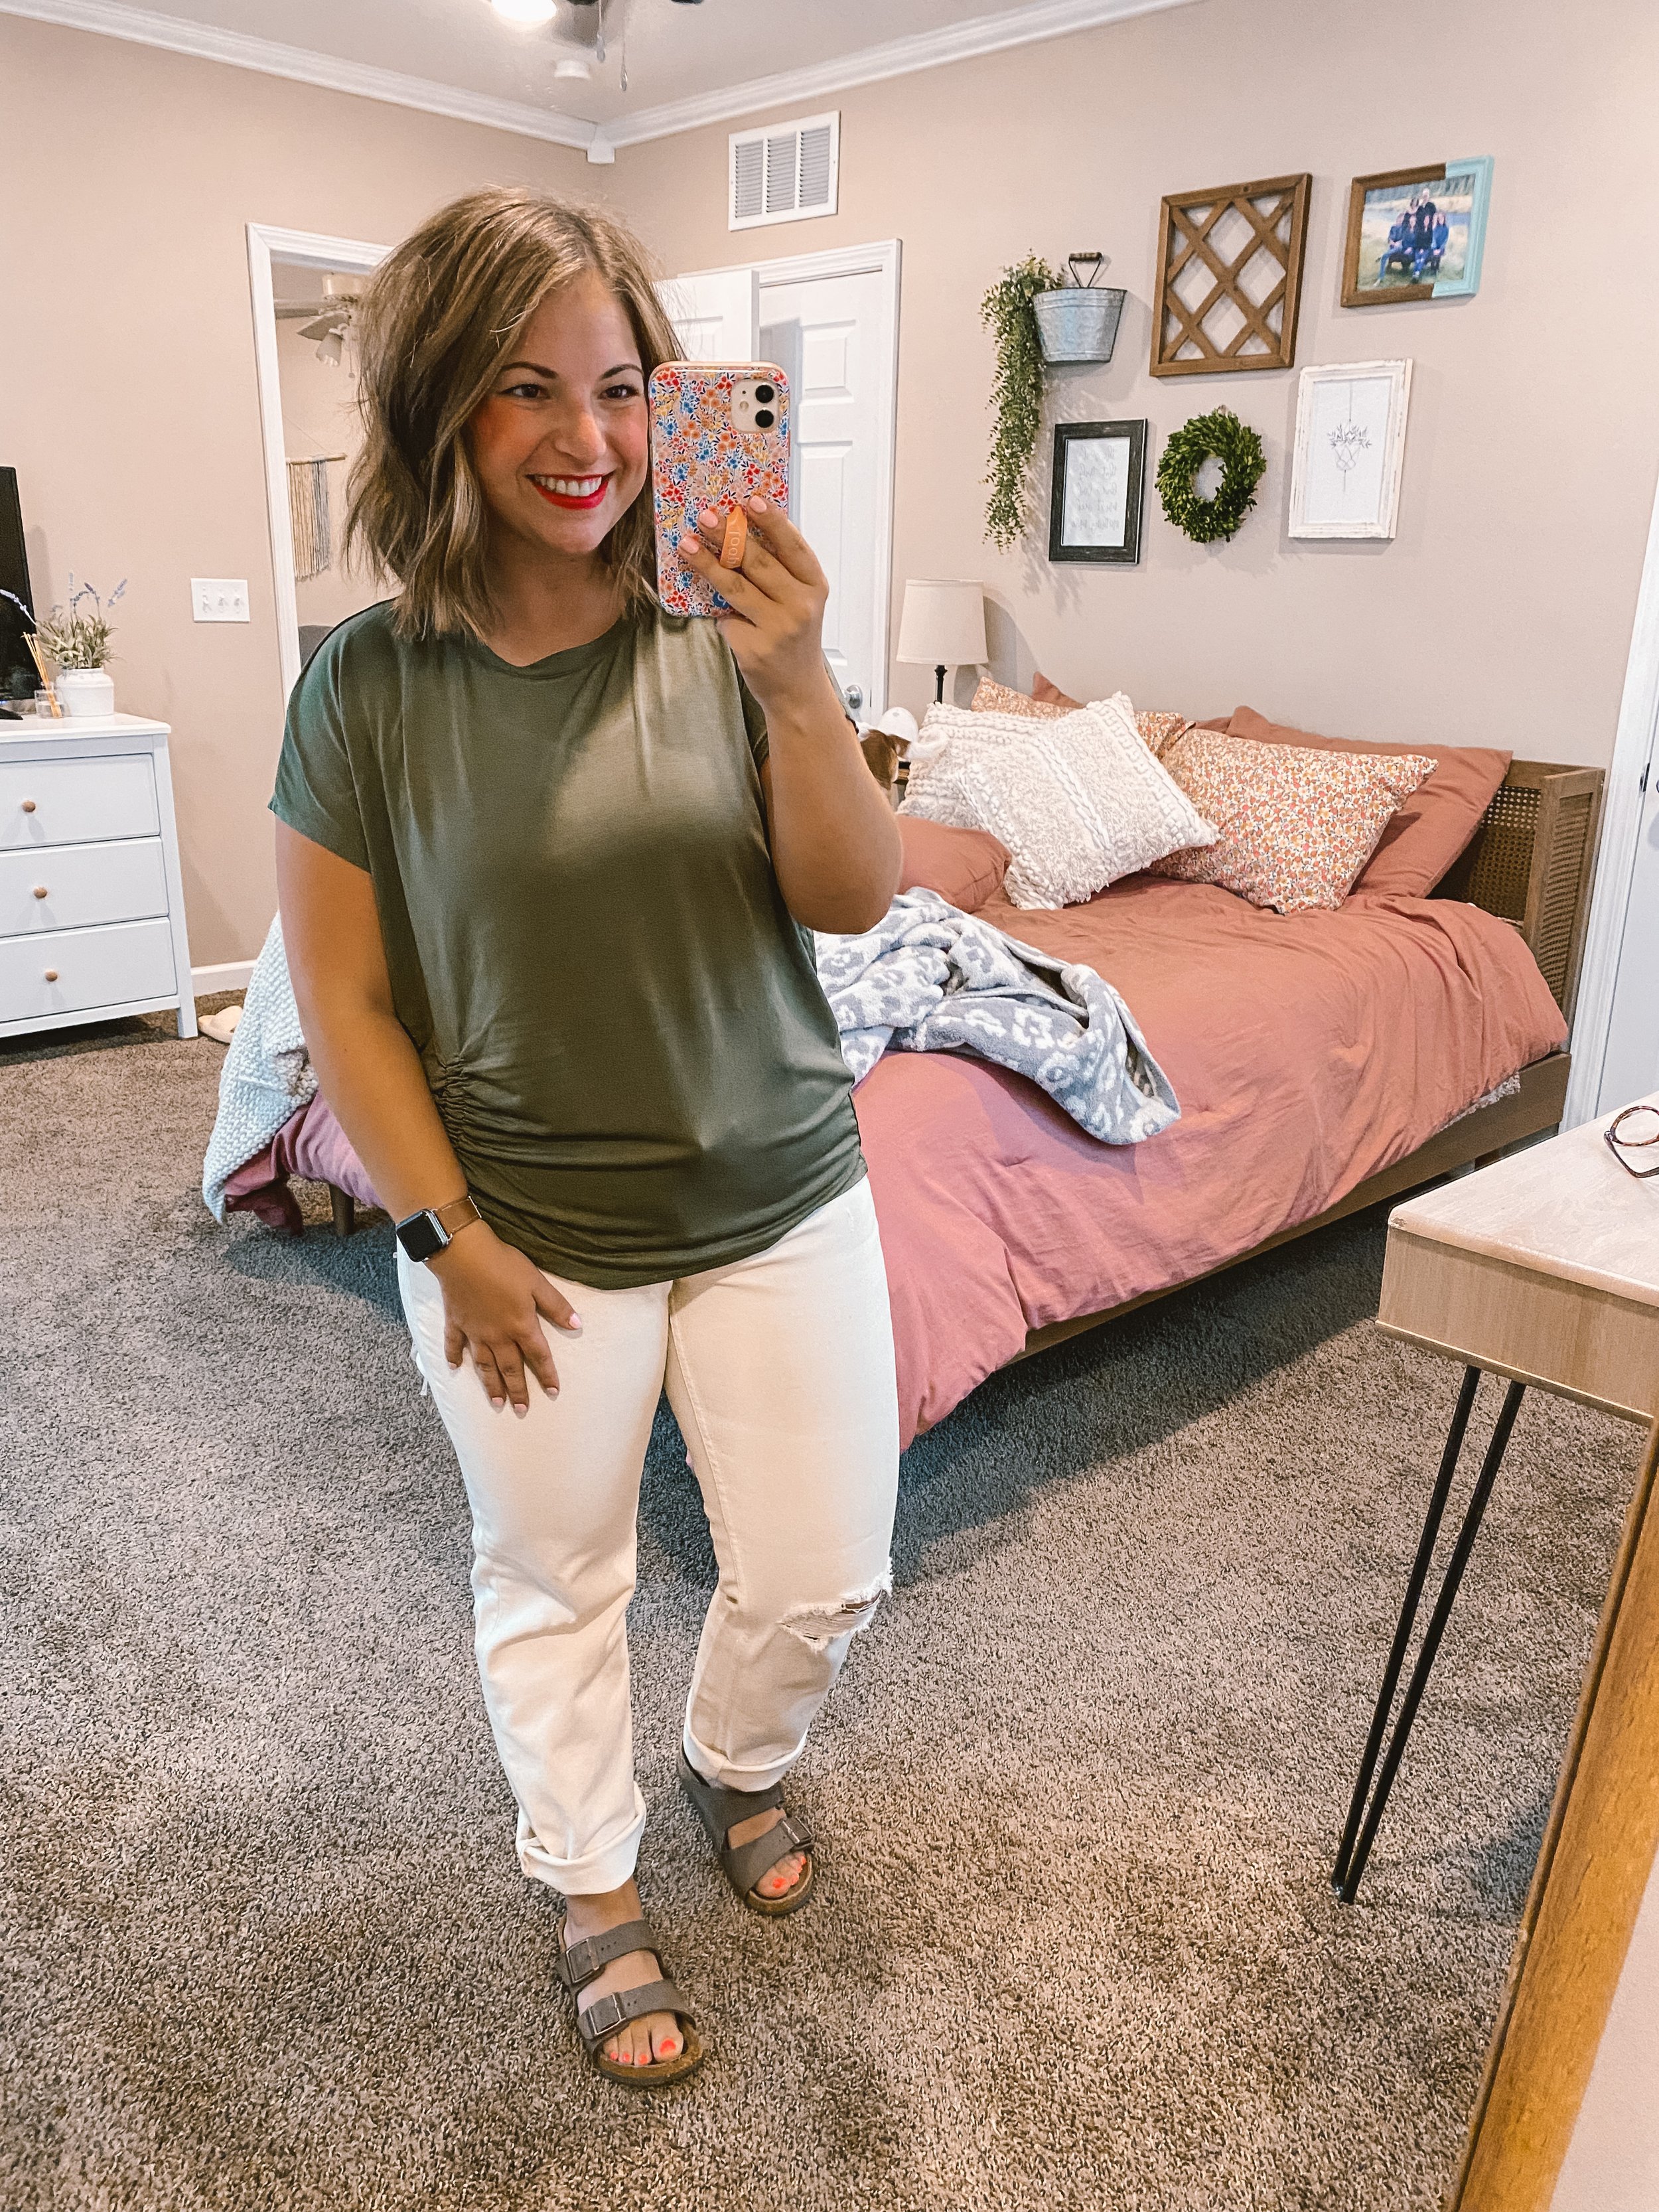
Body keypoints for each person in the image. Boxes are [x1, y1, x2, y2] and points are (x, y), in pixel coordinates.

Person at [272, 188, 903, 2091]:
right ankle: (591, 1880)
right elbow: (344, 1003)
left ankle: (734, 1758)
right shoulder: (367, 686)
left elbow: (852, 899)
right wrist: (442, 1236)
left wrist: (800, 681)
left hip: (782, 1189)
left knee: (821, 1575)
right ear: (440, 407)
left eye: (621, 387)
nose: (588, 438)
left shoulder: (728, 634)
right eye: (526, 387)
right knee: (555, 1576)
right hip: (526, 1228)